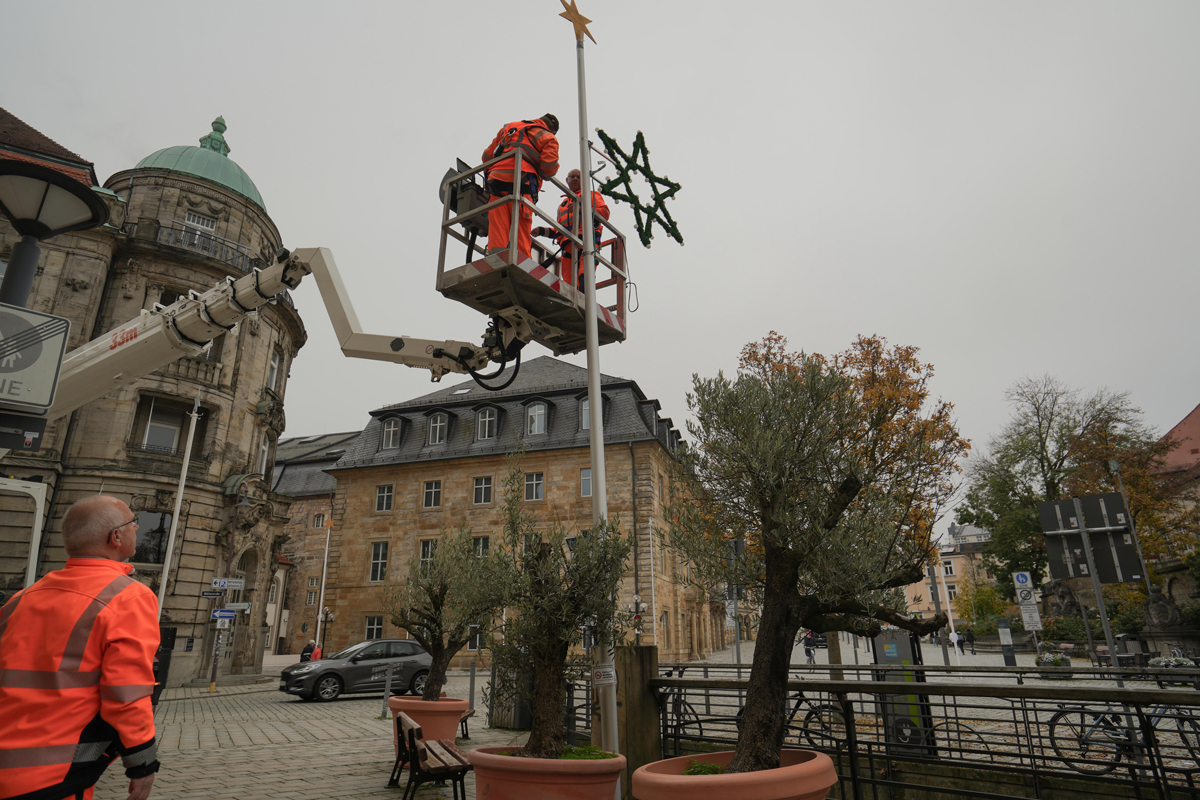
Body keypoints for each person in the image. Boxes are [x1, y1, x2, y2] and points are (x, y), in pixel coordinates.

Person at [0, 495, 160, 800]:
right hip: (52, 773)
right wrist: (142, 764)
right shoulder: (130, 598)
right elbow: (126, 693)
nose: (138, 528)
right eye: (132, 523)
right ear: (116, 537)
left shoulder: (22, 597)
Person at [482, 114, 560, 263]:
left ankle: (495, 259)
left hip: (496, 180)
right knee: (521, 227)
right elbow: (549, 168)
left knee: (498, 225)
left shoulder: (509, 127)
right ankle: (523, 263)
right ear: (553, 130)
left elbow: (486, 157)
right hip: (522, 182)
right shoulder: (548, 137)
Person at [532, 168, 610, 289]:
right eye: (572, 176)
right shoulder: (562, 205)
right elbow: (559, 231)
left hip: (587, 243)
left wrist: (582, 209)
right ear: (567, 180)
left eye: (578, 177)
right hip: (567, 249)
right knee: (568, 284)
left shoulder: (591, 195)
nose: (575, 179)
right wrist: (541, 231)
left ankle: (585, 305)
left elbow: (605, 214)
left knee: (584, 276)